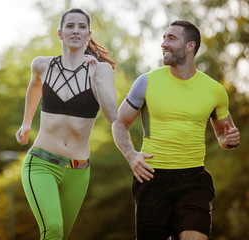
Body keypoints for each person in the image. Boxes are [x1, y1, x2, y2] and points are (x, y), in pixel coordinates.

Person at [112, 20, 240, 240]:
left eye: (171, 38)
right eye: (163, 38)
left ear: (190, 46)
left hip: (193, 180)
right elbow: (119, 123)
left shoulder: (215, 90)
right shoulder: (146, 82)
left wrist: (229, 139)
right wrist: (132, 156)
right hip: (152, 178)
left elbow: (223, 134)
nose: (164, 43)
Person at [15, 8, 117, 240]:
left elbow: (113, 116)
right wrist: (26, 123)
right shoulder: (43, 65)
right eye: (70, 26)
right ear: (60, 34)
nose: (76, 30)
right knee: (53, 230)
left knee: (61, 236)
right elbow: (34, 86)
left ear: (89, 34)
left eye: (82, 26)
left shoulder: (102, 71)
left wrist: (96, 80)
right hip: (41, 163)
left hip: (78, 171)